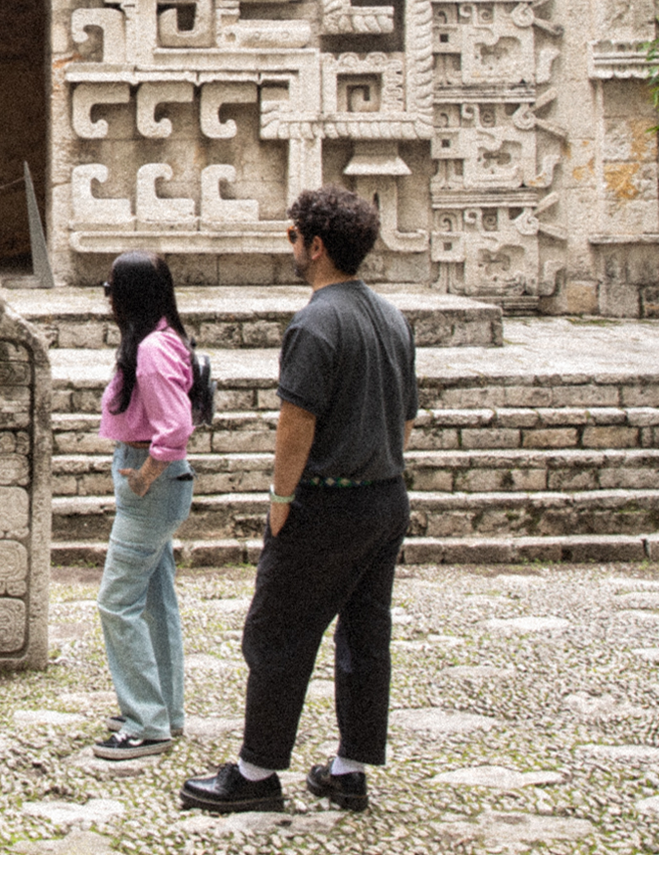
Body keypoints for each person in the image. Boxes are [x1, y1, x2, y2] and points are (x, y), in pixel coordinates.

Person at [183, 186, 417, 815]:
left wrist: (281, 497)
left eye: (292, 236)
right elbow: (404, 420)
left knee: (277, 632)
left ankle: (256, 772)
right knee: (365, 635)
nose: (288, 245)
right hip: (385, 497)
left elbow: (297, 423)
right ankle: (349, 767)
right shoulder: (391, 316)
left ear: (315, 246)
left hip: (328, 503)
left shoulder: (316, 322)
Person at [92, 250, 200, 759]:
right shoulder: (162, 339)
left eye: (110, 287)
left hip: (150, 485)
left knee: (117, 602)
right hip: (157, 485)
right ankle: (164, 710)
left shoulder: (153, 349)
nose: (107, 297)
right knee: (156, 602)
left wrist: (145, 475)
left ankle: (145, 722)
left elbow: (175, 427)